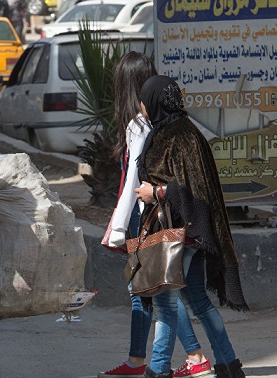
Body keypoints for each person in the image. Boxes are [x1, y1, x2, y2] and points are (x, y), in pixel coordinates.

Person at [100, 52, 211, 378]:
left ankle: (193, 356)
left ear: (125, 86)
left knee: (156, 290)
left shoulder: (137, 124)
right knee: (152, 291)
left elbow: (132, 181)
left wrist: (118, 226)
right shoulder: (163, 120)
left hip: (144, 215)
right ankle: (138, 361)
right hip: (165, 214)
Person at [134, 75, 248, 378]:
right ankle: (229, 364)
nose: (142, 106)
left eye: (145, 101)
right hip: (189, 232)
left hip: (180, 233)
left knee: (165, 303)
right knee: (197, 300)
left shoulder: (177, 135)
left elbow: (189, 189)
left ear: (156, 102)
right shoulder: (178, 130)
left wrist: (155, 193)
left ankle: (158, 370)